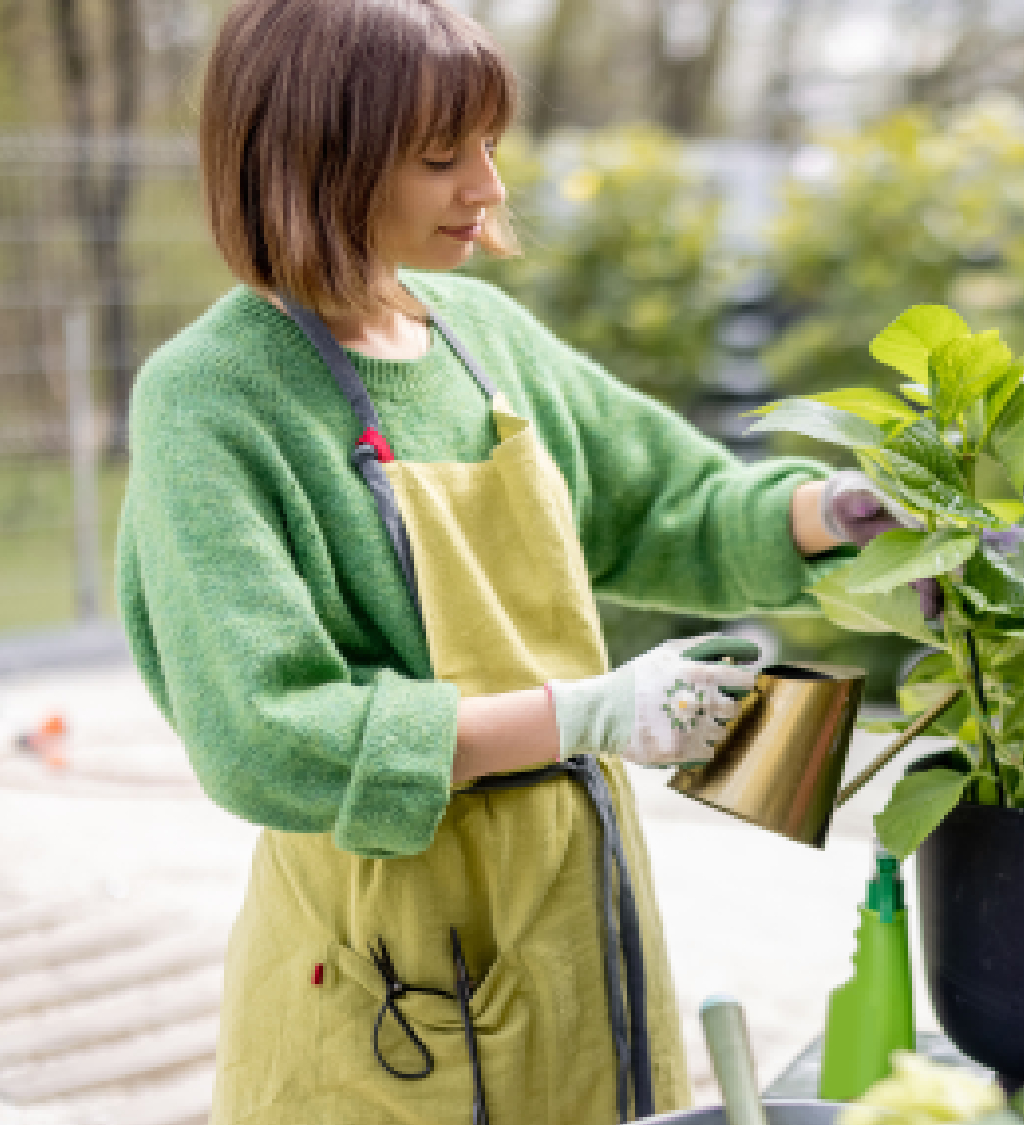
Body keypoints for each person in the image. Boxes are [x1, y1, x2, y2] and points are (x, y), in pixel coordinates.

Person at [113, 0, 904, 1119]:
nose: (485, 189)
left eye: (488, 146)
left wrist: (836, 509)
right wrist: (582, 717)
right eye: (442, 157)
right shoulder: (213, 398)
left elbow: (667, 506)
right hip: (388, 949)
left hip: (581, 903)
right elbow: (264, 737)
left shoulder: (482, 341)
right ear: (313, 160)